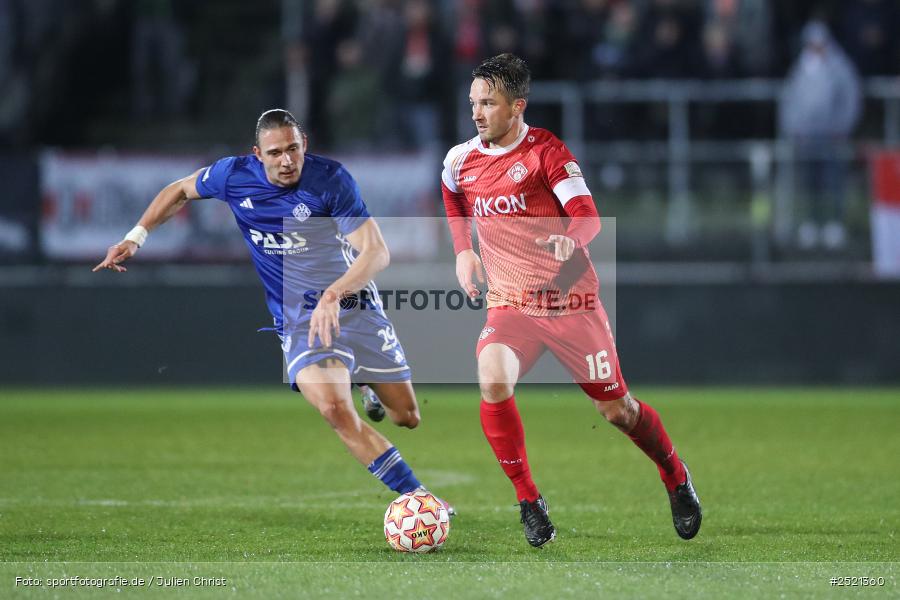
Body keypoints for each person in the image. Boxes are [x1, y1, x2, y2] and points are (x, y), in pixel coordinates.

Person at [94, 108, 451, 511]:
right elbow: (178, 189)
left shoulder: (330, 180)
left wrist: (333, 296)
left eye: (293, 149)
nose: (286, 160)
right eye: (276, 152)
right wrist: (135, 237)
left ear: (305, 146)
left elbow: (376, 251)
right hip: (299, 318)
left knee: (406, 416)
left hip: (351, 302)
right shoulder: (233, 175)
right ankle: (417, 498)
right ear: (257, 154)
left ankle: (362, 379)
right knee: (335, 410)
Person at [441, 54, 699, 547]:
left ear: (517, 106)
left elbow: (588, 215)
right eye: (473, 102)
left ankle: (674, 474)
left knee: (619, 412)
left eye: (488, 103)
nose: (476, 113)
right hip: (511, 305)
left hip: (569, 304)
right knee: (492, 379)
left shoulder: (547, 154)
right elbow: (452, 195)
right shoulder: (460, 158)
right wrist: (463, 253)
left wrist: (570, 239)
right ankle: (528, 500)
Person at [779, 21, 861, 250]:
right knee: (808, 182)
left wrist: (842, 127)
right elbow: (790, 101)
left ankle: (833, 222)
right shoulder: (801, 68)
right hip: (806, 137)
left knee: (832, 181)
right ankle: (810, 222)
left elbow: (850, 99)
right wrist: (793, 128)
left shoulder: (839, 66)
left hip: (831, 135)